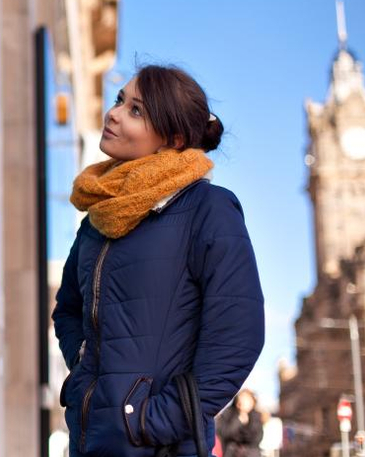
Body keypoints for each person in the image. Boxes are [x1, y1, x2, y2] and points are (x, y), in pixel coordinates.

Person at [52, 64, 265, 457]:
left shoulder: (208, 209)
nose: (114, 113)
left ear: (174, 138)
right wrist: (84, 364)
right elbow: (67, 310)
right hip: (90, 442)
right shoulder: (97, 221)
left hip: (161, 446)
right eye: (119, 100)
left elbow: (238, 336)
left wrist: (155, 419)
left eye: (136, 110)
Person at [215, 390, 264, 457]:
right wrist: (239, 420)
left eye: (247, 400)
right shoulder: (228, 414)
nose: (244, 403)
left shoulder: (256, 416)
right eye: (242, 399)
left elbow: (258, 438)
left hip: (251, 453)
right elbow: (224, 433)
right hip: (231, 453)